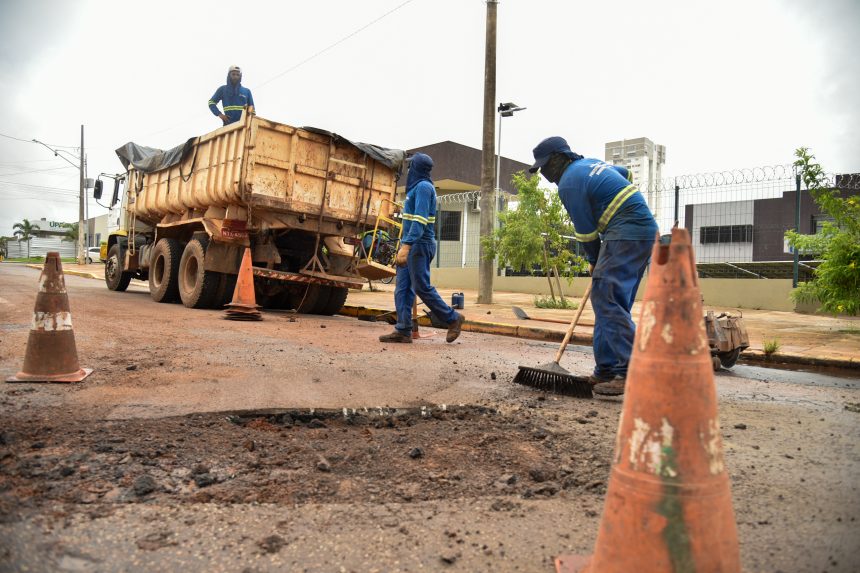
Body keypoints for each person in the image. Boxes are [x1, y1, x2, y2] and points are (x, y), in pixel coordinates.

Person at [529, 136, 658, 396]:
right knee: (610, 304)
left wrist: (594, 260)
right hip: (641, 233)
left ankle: (633, 370)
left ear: (559, 158)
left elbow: (586, 233)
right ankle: (607, 370)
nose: (543, 173)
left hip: (625, 233)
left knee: (606, 299)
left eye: (544, 166)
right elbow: (625, 173)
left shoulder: (569, 183)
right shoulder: (590, 165)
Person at [379, 153, 465, 344]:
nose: (408, 170)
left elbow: (420, 221)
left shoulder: (424, 188)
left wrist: (407, 246)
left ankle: (453, 318)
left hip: (419, 244)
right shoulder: (416, 188)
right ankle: (403, 329)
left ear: (416, 168)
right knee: (402, 289)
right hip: (410, 243)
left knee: (421, 287)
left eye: (411, 167)